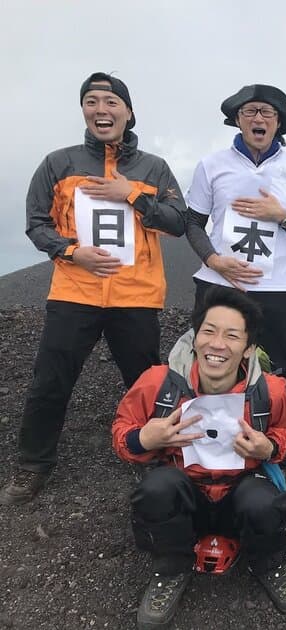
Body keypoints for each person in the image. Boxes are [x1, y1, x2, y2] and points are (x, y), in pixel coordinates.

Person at [0, 72, 186, 506]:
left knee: (146, 383)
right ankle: (33, 465)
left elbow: (179, 222)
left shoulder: (153, 168)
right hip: (74, 291)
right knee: (50, 381)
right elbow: (36, 222)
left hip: (136, 295)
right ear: (83, 110)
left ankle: (157, 454)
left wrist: (133, 195)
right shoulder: (58, 163)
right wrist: (70, 252)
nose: (101, 109)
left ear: (128, 111)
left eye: (111, 101)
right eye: (91, 101)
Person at [112, 287, 286, 628]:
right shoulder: (159, 384)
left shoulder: (270, 391)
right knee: (157, 487)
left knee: (265, 501)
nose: (217, 344)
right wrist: (143, 438)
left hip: (241, 493)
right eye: (208, 331)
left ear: (248, 349)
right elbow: (122, 429)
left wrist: (269, 448)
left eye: (232, 336)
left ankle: (268, 560)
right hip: (186, 498)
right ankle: (170, 567)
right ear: (195, 337)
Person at [185, 83, 286, 498]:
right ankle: (202, 452)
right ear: (237, 119)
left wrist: (282, 216)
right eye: (250, 112)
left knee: (282, 369)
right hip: (217, 284)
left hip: (275, 287)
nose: (258, 119)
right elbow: (192, 221)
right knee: (209, 362)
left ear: (279, 122)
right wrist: (213, 259)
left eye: (267, 113)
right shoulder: (212, 164)